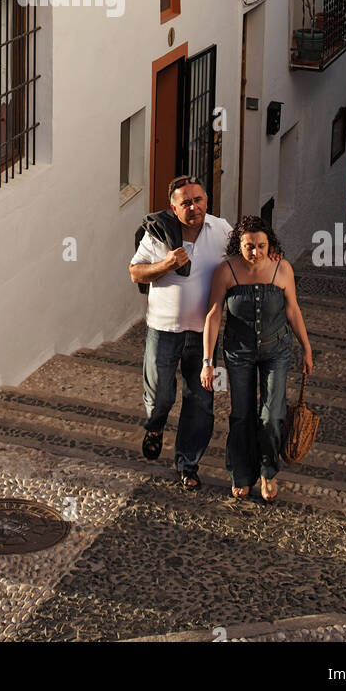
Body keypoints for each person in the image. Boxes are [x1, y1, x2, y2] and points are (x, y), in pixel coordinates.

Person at [128, 175, 231, 491]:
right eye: (185, 202)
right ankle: (155, 426)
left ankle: (188, 464)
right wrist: (167, 264)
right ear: (173, 207)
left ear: (206, 201)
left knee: (200, 401)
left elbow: (244, 258)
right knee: (161, 395)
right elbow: (135, 272)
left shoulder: (222, 230)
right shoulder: (159, 233)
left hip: (204, 334)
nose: (194, 206)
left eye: (198, 199)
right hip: (164, 328)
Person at [201, 217, 312, 503]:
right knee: (242, 414)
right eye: (249, 246)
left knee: (273, 414)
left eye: (261, 246)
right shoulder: (226, 271)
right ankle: (241, 473)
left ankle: (268, 472)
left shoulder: (282, 268)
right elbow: (214, 315)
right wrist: (207, 361)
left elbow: (293, 311)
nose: (256, 252)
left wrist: (307, 348)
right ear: (238, 244)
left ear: (270, 244)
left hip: (277, 350)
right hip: (239, 352)